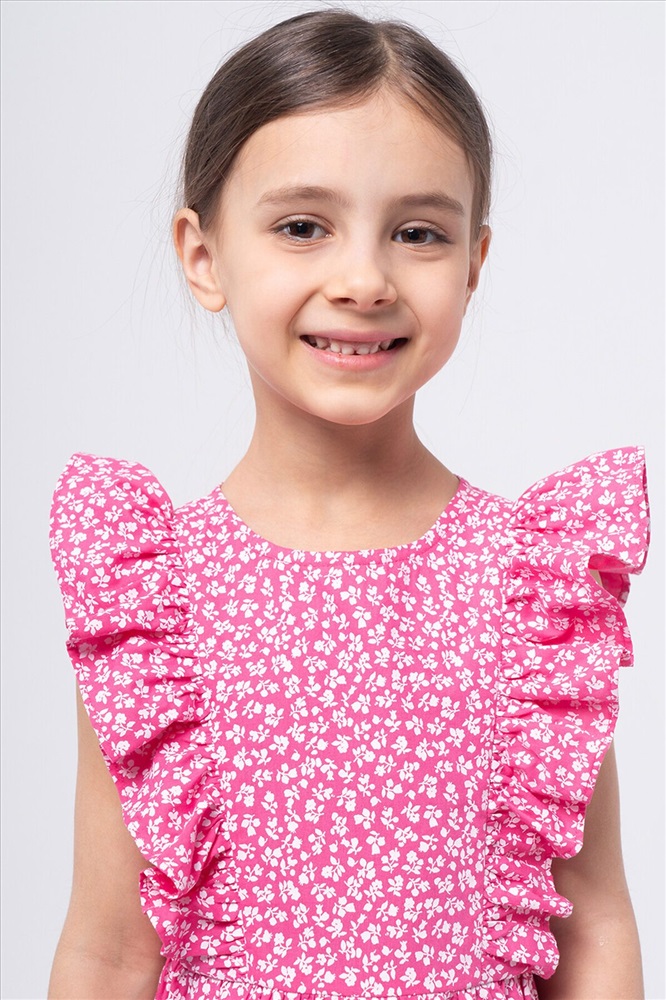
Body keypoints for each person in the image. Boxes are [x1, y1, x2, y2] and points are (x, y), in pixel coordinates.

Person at [47, 9, 650, 1000]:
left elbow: (594, 927)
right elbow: (109, 947)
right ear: (203, 255)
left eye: (417, 233)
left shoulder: (536, 591)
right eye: (302, 227)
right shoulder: (153, 607)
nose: (364, 279)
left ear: (474, 263)